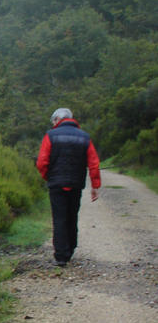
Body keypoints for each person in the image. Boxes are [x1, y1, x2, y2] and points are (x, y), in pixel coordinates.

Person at [36, 108, 101, 267]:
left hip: (56, 185)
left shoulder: (50, 136)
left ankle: (61, 256)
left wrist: (48, 177)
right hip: (76, 184)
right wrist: (95, 186)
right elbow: (93, 163)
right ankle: (70, 249)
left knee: (59, 218)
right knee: (72, 216)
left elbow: (41, 162)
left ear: (58, 119)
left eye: (53, 121)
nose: (53, 124)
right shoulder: (85, 137)